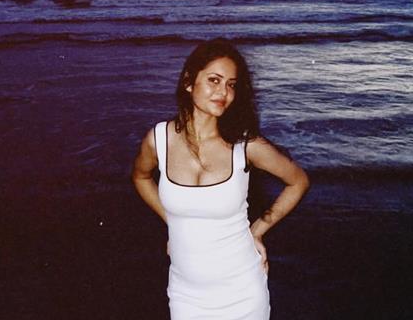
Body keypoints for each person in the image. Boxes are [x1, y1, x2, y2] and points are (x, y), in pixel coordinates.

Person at [132, 38, 310, 319]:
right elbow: (141, 177)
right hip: (186, 295)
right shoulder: (159, 140)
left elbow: (298, 181)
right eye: (214, 80)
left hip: (243, 292)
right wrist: (173, 221)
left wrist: (257, 230)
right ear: (188, 82)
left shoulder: (245, 146)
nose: (223, 92)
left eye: (231, 85)